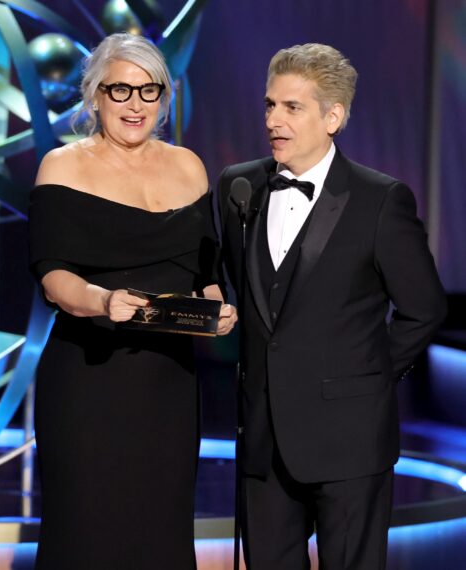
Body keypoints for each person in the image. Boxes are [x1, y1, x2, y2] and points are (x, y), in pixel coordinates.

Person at [218, 43, 446, 570]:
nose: (273, 120)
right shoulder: (238, 186)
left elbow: (423, 308)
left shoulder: (380, 200)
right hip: (263, 441)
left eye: (292, 108)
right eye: (269, 104)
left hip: (349, 442)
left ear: (333, 117)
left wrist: (365, 376)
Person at [29, 32, 237, 570]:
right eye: (121, 90)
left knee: (159, 538)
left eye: (150, 91)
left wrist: (217, 311)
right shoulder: (61, 166)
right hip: (87, 382)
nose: (136, 104)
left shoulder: (190, 166)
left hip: (168, 387)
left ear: (165, 99)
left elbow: (206, 273)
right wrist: (102, 300)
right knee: (86, 536)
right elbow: (54, 277)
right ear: (95, 95)